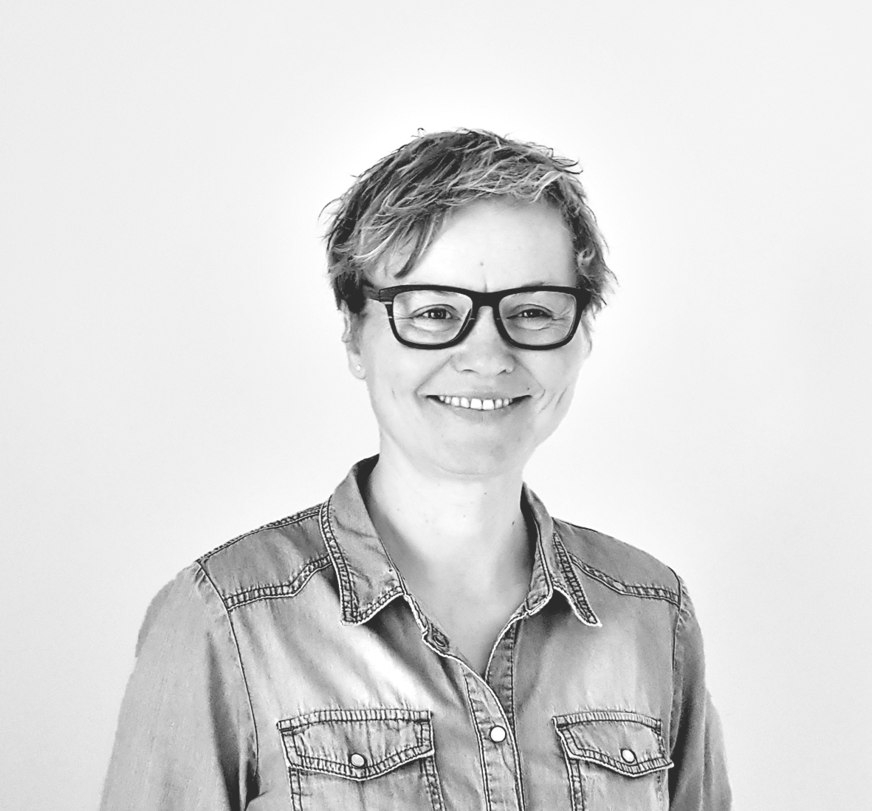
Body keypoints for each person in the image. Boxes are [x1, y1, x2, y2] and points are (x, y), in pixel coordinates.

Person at [100, 129, 731, 810]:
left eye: (532, 311)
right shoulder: (225, 620)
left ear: (582, 334)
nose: (486, 356)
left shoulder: (652, 614)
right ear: (354, 333)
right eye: (433, 311)